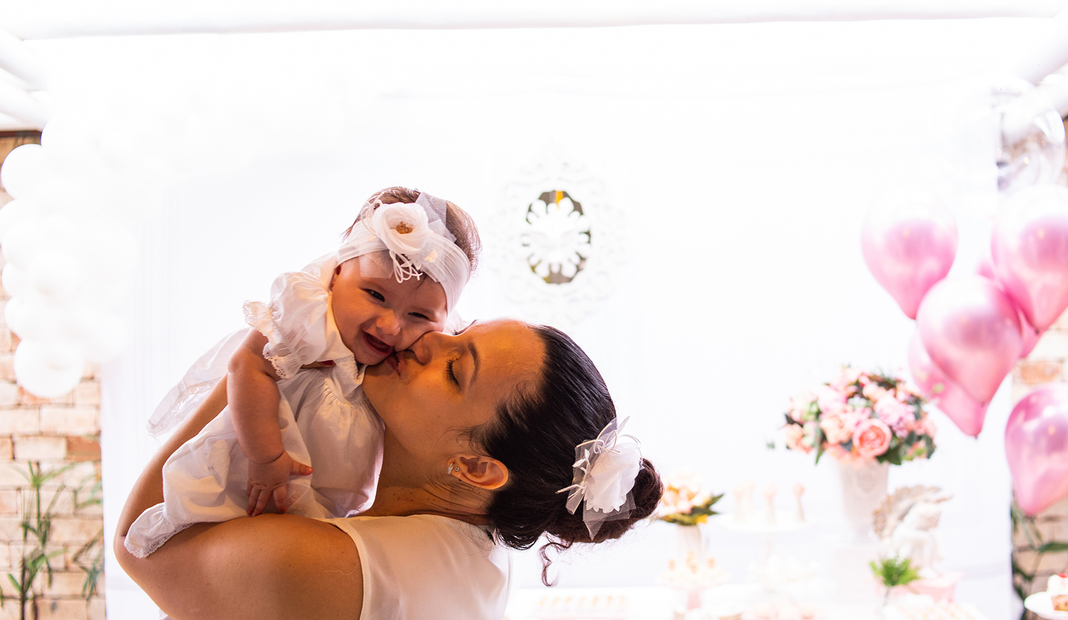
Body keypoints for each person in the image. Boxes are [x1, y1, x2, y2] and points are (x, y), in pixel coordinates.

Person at [115, 318, 663, 620]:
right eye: (460, 331)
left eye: (455, 369)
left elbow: (143, 544)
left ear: (476, 468)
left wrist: (258, 363)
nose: (429, 340)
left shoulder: (342, 568)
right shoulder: (474, 558)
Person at [124, 187, 480, 558]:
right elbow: (246, 365)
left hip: (324, 498)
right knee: (230, 535)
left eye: (418, 315)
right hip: (260, 465)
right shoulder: (307, 315)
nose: (390, 326)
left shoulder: (423, 358)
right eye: (375, 295)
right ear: (336, 274)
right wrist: (266, 457)